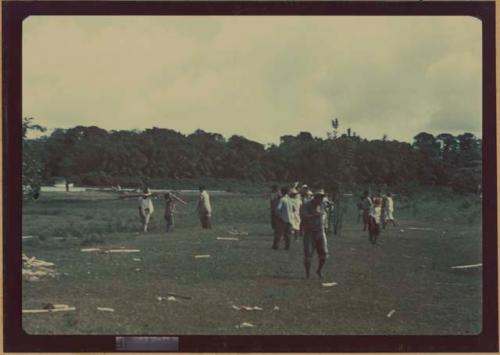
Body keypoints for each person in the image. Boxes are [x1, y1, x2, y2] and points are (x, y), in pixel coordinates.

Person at [301, 189, 328, 279]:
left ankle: (319, 270)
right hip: (310, 232)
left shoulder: (322, 205)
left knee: (324, 254)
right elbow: (304, 216)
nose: (320, 199)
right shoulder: (306, 205)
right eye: (319, 197)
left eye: (322, 197)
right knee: (308, 254)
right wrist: (314, 215)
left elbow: (324, 216)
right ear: (315, 197)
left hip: (320, 231)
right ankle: (307, 274)